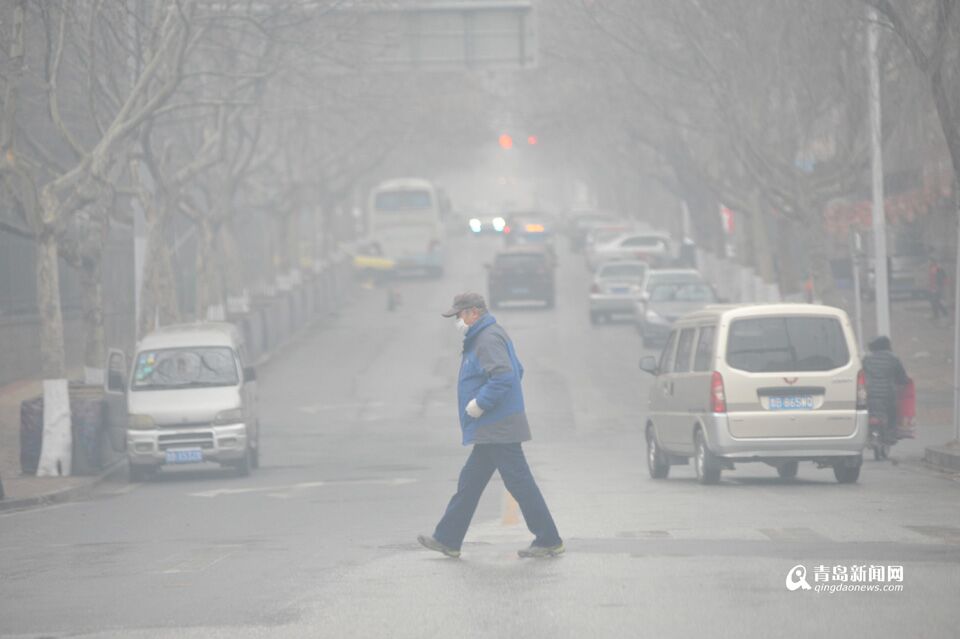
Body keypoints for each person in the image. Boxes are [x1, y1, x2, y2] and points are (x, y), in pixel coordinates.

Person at [418, 292, 563, 559]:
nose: (458, 320)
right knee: (470, 483)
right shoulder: (486, 335)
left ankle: (549, 539)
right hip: (493, 426)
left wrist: (480, 403)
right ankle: (448, 539)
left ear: (474, 312)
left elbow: (506, 375)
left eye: (460, 315)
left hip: (498, 426)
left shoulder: (486, 339)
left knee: (519, 483)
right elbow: (517, 369)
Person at [862, 336, 909, 445]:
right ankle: (891, 434)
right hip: (888, 394)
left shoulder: (867, 359)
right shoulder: (893, 358)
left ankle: (868, 433)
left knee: (867, 412)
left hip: (869, 393)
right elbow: (901, 377)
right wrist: (904, 382)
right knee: (892, 412)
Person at [928, 256, 948, 321]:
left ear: (933, 262)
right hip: (933, 288)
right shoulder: (931, 268)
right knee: (934, 301)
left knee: (935, 301)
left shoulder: (938, 269)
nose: (929, 262)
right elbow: (931, 279)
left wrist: (939, 286)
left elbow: (943, 278)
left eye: (930, 261)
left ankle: (941, 314)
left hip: (937, 287)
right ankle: (939, 314)